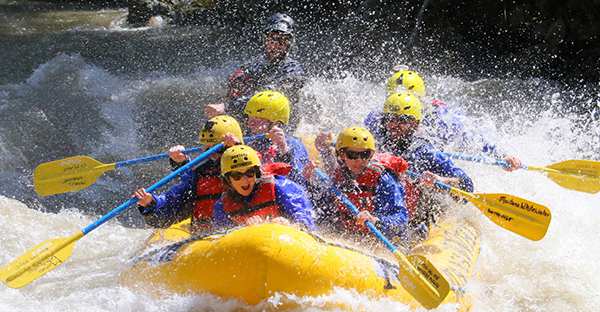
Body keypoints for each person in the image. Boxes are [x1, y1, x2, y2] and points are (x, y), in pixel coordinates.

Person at [365, 68, 522, 171]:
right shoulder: (378, 117)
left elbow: (474, 137)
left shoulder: (441, 117)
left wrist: (501, 156)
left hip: (431, 156)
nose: (401, 104)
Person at [133, 115, 243, 230]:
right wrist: (151, 203)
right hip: (207, 236)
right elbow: (170, 208)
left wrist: (237, 150)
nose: (211, 154)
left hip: (240, 230)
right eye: (207, 148)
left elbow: (253, 180)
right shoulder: (200, 174)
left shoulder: (253, 168)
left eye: (217, 148)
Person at [204, 13, 306, 131]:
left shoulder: (294, 71)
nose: (277, 44)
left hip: (281, 130)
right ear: (266, 39)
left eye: (283, 40)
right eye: (273, 39)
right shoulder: (256, 64)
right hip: (256, 123)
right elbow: (234, 87)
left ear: (289, 43)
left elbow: (267, 96)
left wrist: (226, 107)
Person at [311, 127, 410, 238]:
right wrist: (308, 180)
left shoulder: (383, 179)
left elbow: (401, 218)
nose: (359, 160)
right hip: (350, 231)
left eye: (365, 154)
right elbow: (318, 203)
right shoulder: (337, 171)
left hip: (381, 235)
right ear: (342, 155)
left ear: (371, 155)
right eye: (352, 155)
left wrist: (376, 221)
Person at [212, 145, 315, 230]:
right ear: (228, 180)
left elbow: (305, 220)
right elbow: (221, 237)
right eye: (236, 176)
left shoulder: (278, 187)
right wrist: (243, 229)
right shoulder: (222, 206)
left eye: (249, 173)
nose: (245, 180)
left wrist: (289, 225)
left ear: (257, 174)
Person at [243, 90, 311, 187]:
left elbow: (298, 183)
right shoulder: (248, 143)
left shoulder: (293, 145)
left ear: (276, 122)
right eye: (249, 118)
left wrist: (283, 149)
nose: (250, 123)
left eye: (257, 119)